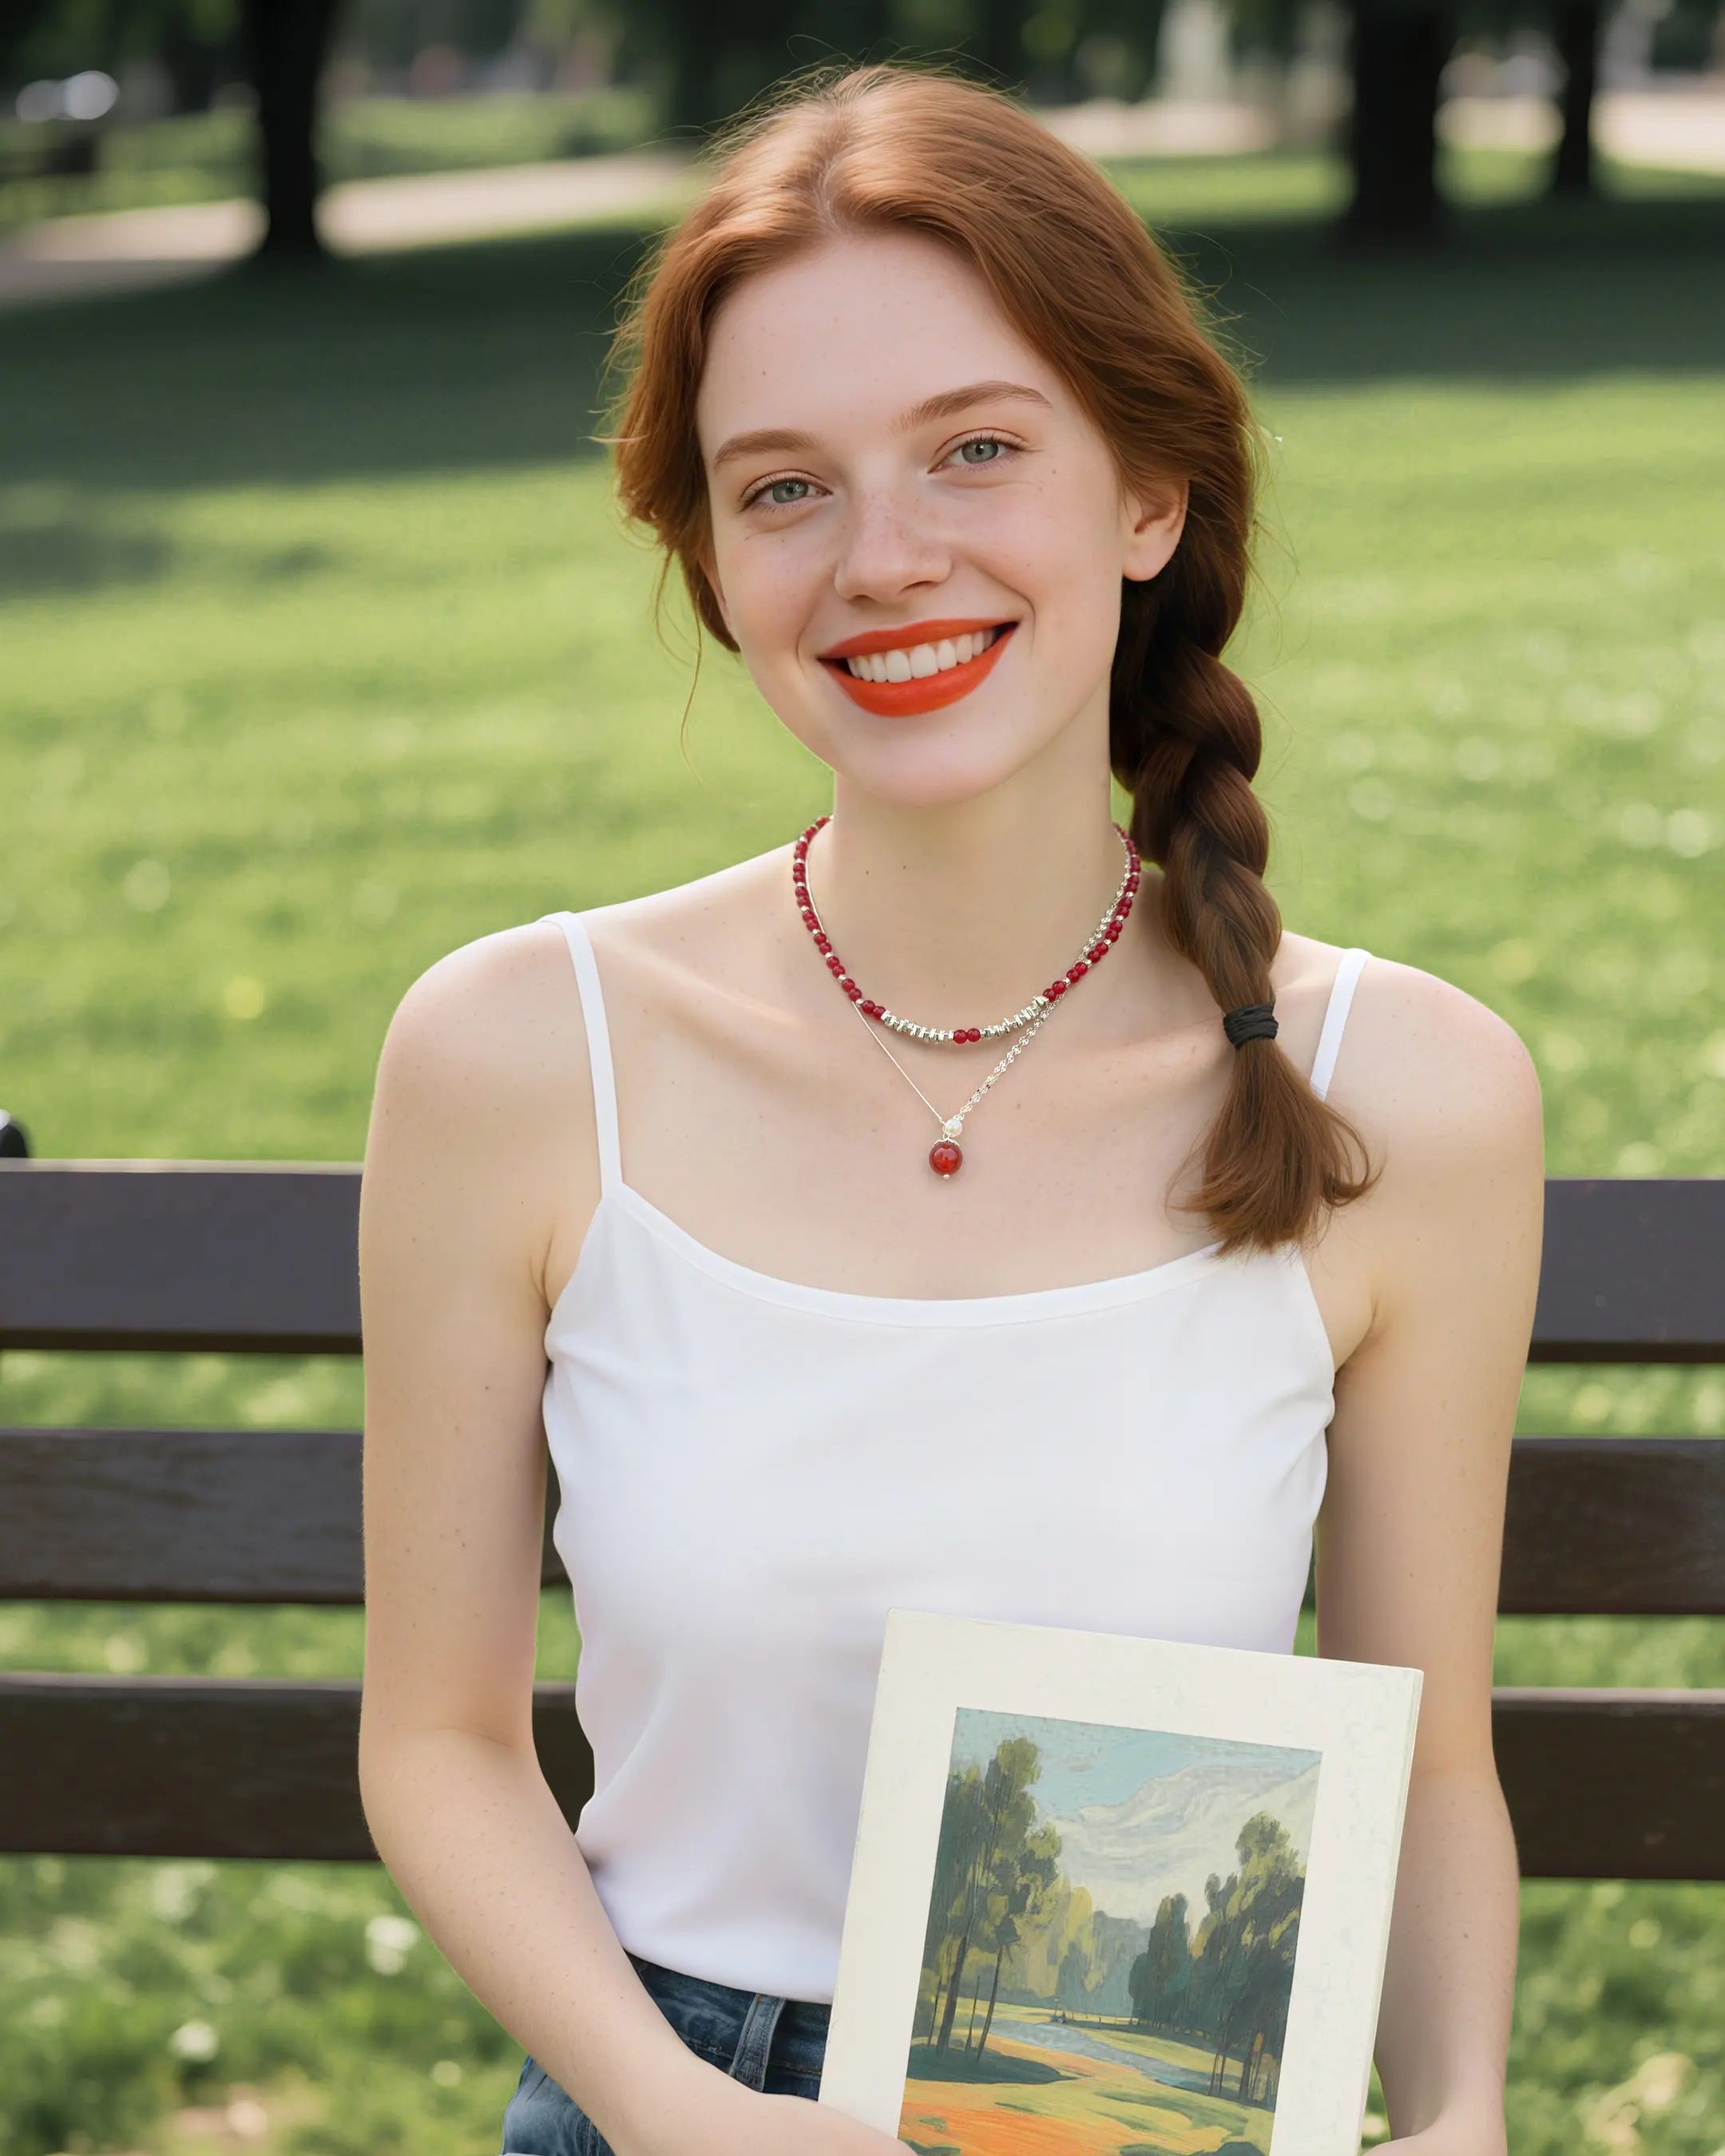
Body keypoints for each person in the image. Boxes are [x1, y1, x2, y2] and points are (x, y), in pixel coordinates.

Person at [355, 61, 1542, 2156]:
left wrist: (1456, 2117)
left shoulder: (1403, 1094)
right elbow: (439, 1739)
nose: (883, 560)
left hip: (1134, 2104)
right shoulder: (522, 1056)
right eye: (784, 488)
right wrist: (679, 2111)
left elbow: (1429, 1757)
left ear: (1147, 494)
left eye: (976, 450)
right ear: (714, 559)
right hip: (666, 2101)